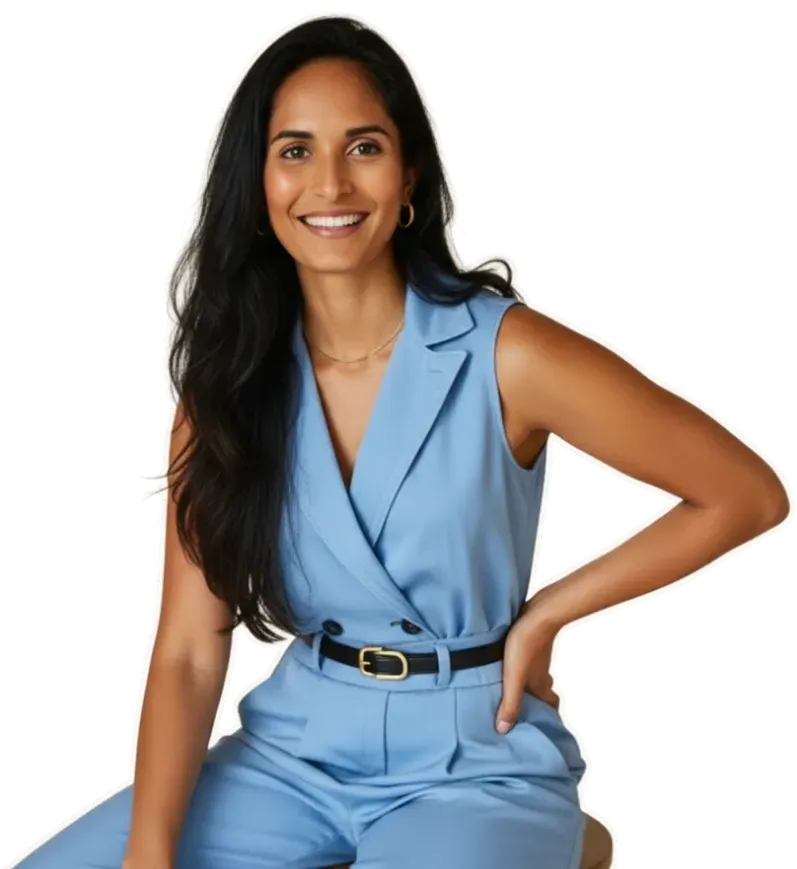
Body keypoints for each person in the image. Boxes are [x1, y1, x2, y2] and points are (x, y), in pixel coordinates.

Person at [15, 13, 789, 869]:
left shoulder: (509, 353)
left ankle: (554, 839)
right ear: (258, 182)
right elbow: (192, 653)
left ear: (409, 170)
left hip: (474, 756)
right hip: (294, 749)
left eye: (365, 147)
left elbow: (744, 494)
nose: (330, 183)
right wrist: (150, 853)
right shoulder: (227, 387)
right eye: (295, 150)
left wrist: (544, 615)